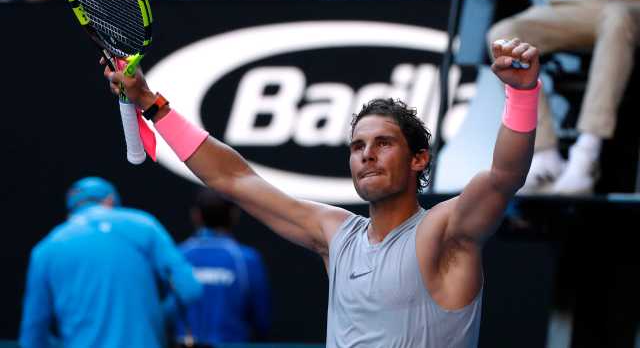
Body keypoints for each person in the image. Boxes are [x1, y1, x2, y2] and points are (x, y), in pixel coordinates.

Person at [104, 37, 541, 347]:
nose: (367, 155)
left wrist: (521, 95)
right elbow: (233, 179)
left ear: (419, 160)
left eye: (383, 144)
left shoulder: (444, 232)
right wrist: (150, 102)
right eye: (357, 146)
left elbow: (504, 176)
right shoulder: (336, 234)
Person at [488, 0, 640, 195]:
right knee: (504, 33)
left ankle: (587, 152)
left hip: (630, 5)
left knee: (617, 20)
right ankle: (545, 154)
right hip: (574, 6)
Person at [19, 176, 202, 348]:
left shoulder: (47, 248)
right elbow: (189, 289)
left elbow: (33, 332)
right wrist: (156, 319)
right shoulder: (144, 225)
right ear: (110, 201)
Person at [175, 189, 271, 345]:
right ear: (234, 215)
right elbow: (261, 321)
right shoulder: (246, 260)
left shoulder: (178, 256)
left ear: (196, 215)